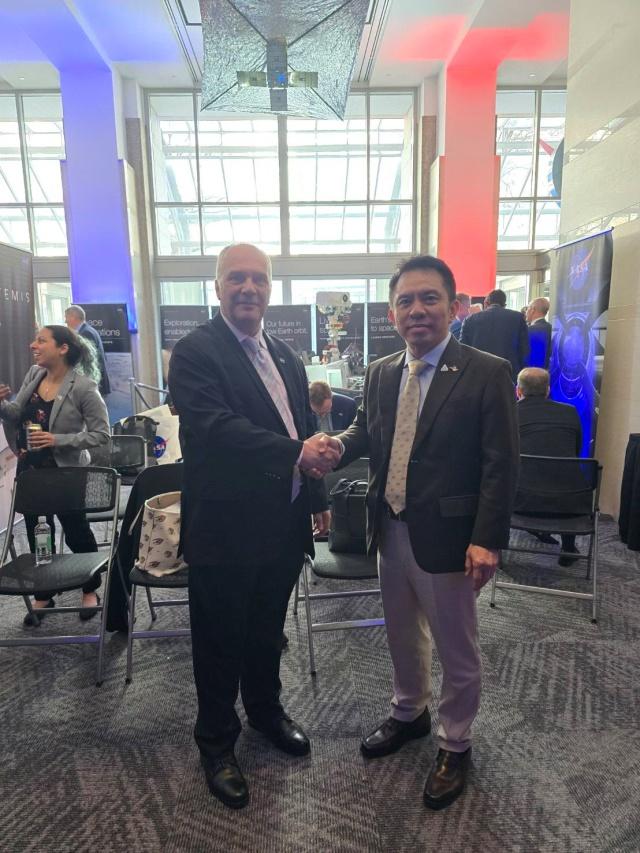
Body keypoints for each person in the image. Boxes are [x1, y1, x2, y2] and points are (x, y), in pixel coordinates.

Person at [332, 255, 519, 810]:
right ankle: (408, 711)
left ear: (454, 307)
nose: (417, 310)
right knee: (401, 633)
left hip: (452, 538)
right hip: (389, 528)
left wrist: (487, 538)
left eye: (429, 298)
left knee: (457, 647)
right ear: (392, 314)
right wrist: (337, 445)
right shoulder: (381, 371)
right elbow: (365, 430)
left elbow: (501, 464)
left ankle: (455, 741)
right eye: (406, 301)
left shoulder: (486, 371)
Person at [168, 243, 336, 810]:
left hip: (283, 521)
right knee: (219, 639)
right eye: (236, 278)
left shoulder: (284, 354)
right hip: (225, 526)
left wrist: (315, 495)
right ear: (217, 287)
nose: (248, 288)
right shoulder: (195, 351)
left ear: (270, 288)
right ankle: (216, 743)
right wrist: (296, 453)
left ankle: (265, 711)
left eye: (258, 279)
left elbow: (302, 424)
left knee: (267, 629)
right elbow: (214, 427)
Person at [0, 325, 110, 624]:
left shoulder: (84, 387)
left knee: (76, 532)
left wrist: (56, 440)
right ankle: (44, 591)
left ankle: (90, 589)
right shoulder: (34, 375)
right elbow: (16, 414)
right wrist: (2, 404)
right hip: (30, 470)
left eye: (41, 340)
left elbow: (102, 435)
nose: (32, 345)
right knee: (38, 533)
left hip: (66, 473)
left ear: (63, 348)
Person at [516, 367, 582, 565]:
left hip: (519, 504)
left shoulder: (508, 413)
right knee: (566, 472)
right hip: (569, 506)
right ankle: (568, 547)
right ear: (548, 390)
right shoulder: (570, 412)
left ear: (518, 391)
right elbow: (576, 451)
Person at [460, 288, 529, 379]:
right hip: (508, 373)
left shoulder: (470, 320)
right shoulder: (517, 318)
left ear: (486, 303)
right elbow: (524, 349)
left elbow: (463, 349)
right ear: (504, 304)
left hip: (478, 373)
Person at [65, 305, 111, 397]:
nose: (65, 321)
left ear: (73, 317)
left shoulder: (86, 333)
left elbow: (88, 360)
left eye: (66, 317)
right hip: (94, 382)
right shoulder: (87, 330)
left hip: (94, 383)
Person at [526, 296, 553, 369]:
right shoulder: (551, 328)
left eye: (527, 308)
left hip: (531, 370)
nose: (526, 312)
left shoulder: (529, 330)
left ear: (533, 310)